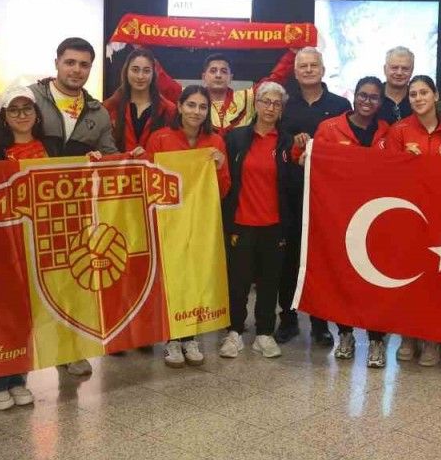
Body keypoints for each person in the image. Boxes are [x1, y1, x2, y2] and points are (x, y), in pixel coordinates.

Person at [28, 37, 118, 375]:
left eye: (84, 64)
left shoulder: (98, 112)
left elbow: (110, 155)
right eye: (70, 62)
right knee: (28, 283)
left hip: (74, 211)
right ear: (57, 63)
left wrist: (129, 159)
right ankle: (20, 359)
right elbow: (1, 145)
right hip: (31, 207)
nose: (76, 70)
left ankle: (69, 350)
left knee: (70, 283)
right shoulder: (29, 98)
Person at [0, 86, 55, 410]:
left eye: (27, 108)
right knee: (0, 315)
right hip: (3, 248)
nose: (21, 115)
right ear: (4, 117)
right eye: (14, 110)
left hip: (40, 245)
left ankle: (18, 377)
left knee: (27, 315)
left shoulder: (52, 148)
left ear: (37, 114)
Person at [302, 76, 391, 366]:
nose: (367, 101)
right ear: (354, 96)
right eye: (363, 95)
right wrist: (305, 157)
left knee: (376, 281)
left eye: (374, 97)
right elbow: (313, 163)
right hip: (339, 216)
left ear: (381, 101)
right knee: (342, 277)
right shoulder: (329, 128)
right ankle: (345, 334)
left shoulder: (388, 132)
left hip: (377, 217)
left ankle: (377, 340)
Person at [145, 85, 231, 369]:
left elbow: (223, 190)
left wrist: (219, 167)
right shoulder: (160, 138)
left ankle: (190, 336)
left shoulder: (215, 141)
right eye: (191, 105)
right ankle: (171, 338)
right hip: (169, 222)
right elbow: (148, 182)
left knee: (196, 277)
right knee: (173, 279)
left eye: (202, 107)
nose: (196, 111)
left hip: (202, 221)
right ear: (180, 106)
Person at [383, 75, 441, 366]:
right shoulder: (399, 130)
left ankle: (432, 338)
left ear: (436, 95)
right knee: (410, 276)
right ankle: (408, 335)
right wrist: (405, 160)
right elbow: (387, 172)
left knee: (437, 278)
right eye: (413, 94)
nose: (418, 98)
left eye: (424, 93)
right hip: (410, 214)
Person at [276, 47, 350, 345]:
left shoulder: (341, 105)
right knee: (289, 258)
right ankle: (288, 318)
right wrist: (291, 142)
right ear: (295, 73)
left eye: (313, 65)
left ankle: (321, 323)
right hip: (291, 193)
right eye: (303, 66)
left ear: (323, 69)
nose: (308, 70)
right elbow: (274, 140)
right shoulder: (284, 104)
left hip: (326, 196)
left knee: (322, 258)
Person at [219, 81, 298, 360]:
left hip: (274, 225)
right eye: (266, 101)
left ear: (282, 109)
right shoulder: (236, 138)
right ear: (257, 104)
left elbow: (293, 181)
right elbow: (224, 177)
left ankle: (264, 333)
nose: (271, 108)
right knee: (238, 283)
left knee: (269, 282)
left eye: (277, 103)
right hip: (241, 222)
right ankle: (234, 332)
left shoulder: (287, 142)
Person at [156, 49, 296, 132]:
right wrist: (145, 53)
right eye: (213, 71)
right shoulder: (191, 98)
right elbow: (163, 81)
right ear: (204, 77)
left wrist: (292, 54)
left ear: (230, 78)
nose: (218, 75)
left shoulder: (247, 97)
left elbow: (274, 81)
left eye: (224, 71)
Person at [102, 48, 177, 155]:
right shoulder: (110, 108)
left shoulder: (169, 110)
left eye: (146, 71)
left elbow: (176, 145)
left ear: (153, 74)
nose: (140, 76)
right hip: (119, 165)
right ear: (126, 71)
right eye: (135, 70)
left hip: (154, 165)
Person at [377, 46, 415, 123]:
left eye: (405, 68)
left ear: (412, 71)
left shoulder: (417, 98)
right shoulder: (374, 97)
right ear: (385, 69)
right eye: (394, 68)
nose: (399, 73)